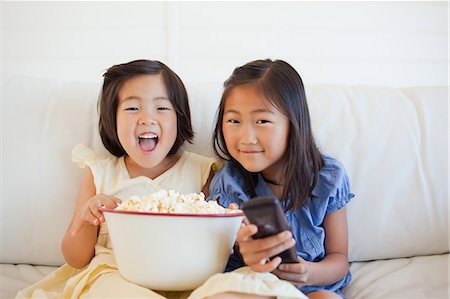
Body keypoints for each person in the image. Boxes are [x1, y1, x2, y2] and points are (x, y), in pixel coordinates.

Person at [17, 59, 306, 299]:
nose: (146, 118)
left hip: (188, 277)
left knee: (242, 284)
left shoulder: (202, 171)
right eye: (132, 108)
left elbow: (219, 243)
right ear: (111, 119)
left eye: (162, 107)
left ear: (179, 118)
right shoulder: (101, 173)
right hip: (116, 274)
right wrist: (87, 213)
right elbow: (76, 258)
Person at [207, 59, 354, 299]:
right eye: (234, 121)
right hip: (253, 284)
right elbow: (220, 258)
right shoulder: (228, 184)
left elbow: (339, 260)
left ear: (293, 124)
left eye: (262, 121)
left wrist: (308, 272)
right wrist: (245, 250)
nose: (246, 137)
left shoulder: (329, 177)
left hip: (312, 288)